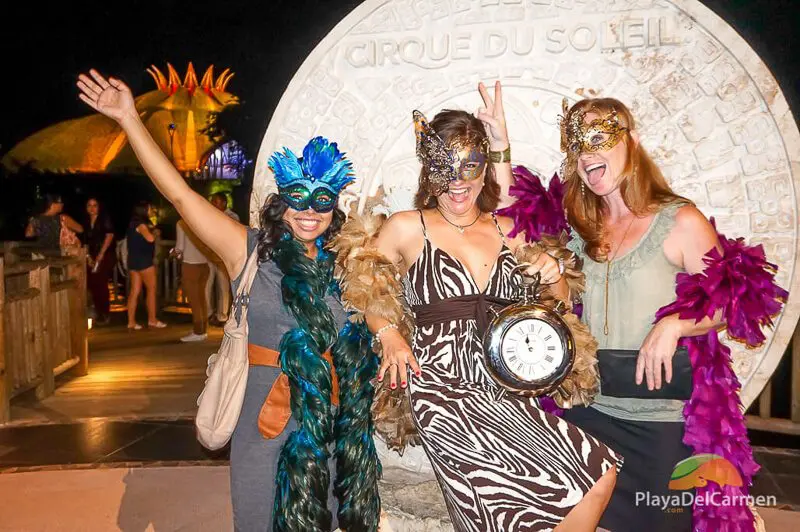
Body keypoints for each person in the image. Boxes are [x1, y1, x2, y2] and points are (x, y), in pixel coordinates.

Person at [77, 69, 382, 532]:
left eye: (322, 201)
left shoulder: (351, 262)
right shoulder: (250, 249)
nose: (309, 212)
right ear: (282, 199)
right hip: (264, 417)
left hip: (331, 421)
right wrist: (129, 119)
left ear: (335, 205)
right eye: (298, 197)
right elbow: (179, 195)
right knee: (258, 520)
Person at [343, 82, 621, 531]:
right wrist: (388, 333)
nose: (457, 181)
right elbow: (363, 283)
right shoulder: (407, 227)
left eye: (469, 165)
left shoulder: (508, 228)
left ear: (483, 167)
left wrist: (553, 277)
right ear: (427, 171)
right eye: (443, 167)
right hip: (440, 385)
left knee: (599, 474)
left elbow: (556, 306)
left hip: (502, 383)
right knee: (505, 511)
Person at [553, 97, 724, 531]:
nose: (586, 152)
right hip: (586, 413)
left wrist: (677, 324)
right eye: (576, 145)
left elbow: (733, 300)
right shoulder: (581, 229)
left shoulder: (679, 220)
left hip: (658, 425)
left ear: (630, 141)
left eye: (598, 137)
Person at [126, 201, 166, 330]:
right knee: (151, 290)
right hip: (144, 261)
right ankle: (152, 320)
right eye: (149, 209)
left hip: (133, 261)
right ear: (143, 210)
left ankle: (131, 322)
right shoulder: (141, 224)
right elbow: (150, 239)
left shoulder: (132, 223)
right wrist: (155, 233)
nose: (151, 211)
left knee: (135, 291)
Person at [175, 218, 211, 342]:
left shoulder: (181, 223)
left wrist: (173, 253)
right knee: (202, 298)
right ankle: (203, 329)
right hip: (204, 264)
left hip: (190, 264)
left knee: (194, 300)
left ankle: (198, 331)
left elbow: (180, 247)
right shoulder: (201, 220)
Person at [206, 192, 239, 325]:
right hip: (209, 255)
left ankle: (222, 315)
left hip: (223, 256)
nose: (213, 204)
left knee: (223, 287)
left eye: (216, 202)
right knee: (207, 285)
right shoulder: (210, 215)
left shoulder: (232, 217)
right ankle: (208, 312)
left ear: (224, 203)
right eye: (212, 202)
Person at [84, 197, 115, 325]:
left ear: (99, 207)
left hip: (104, 254)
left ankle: (104, 313)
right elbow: (85, 241)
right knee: (92, 284)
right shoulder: (85, 221)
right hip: (91, 255)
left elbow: (109, 235)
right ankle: (96, 311)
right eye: (89, 205)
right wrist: (88, 256)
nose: (92, 208)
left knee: (101, 284)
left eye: (94, 205)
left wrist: (101, 254)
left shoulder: (104, 219)